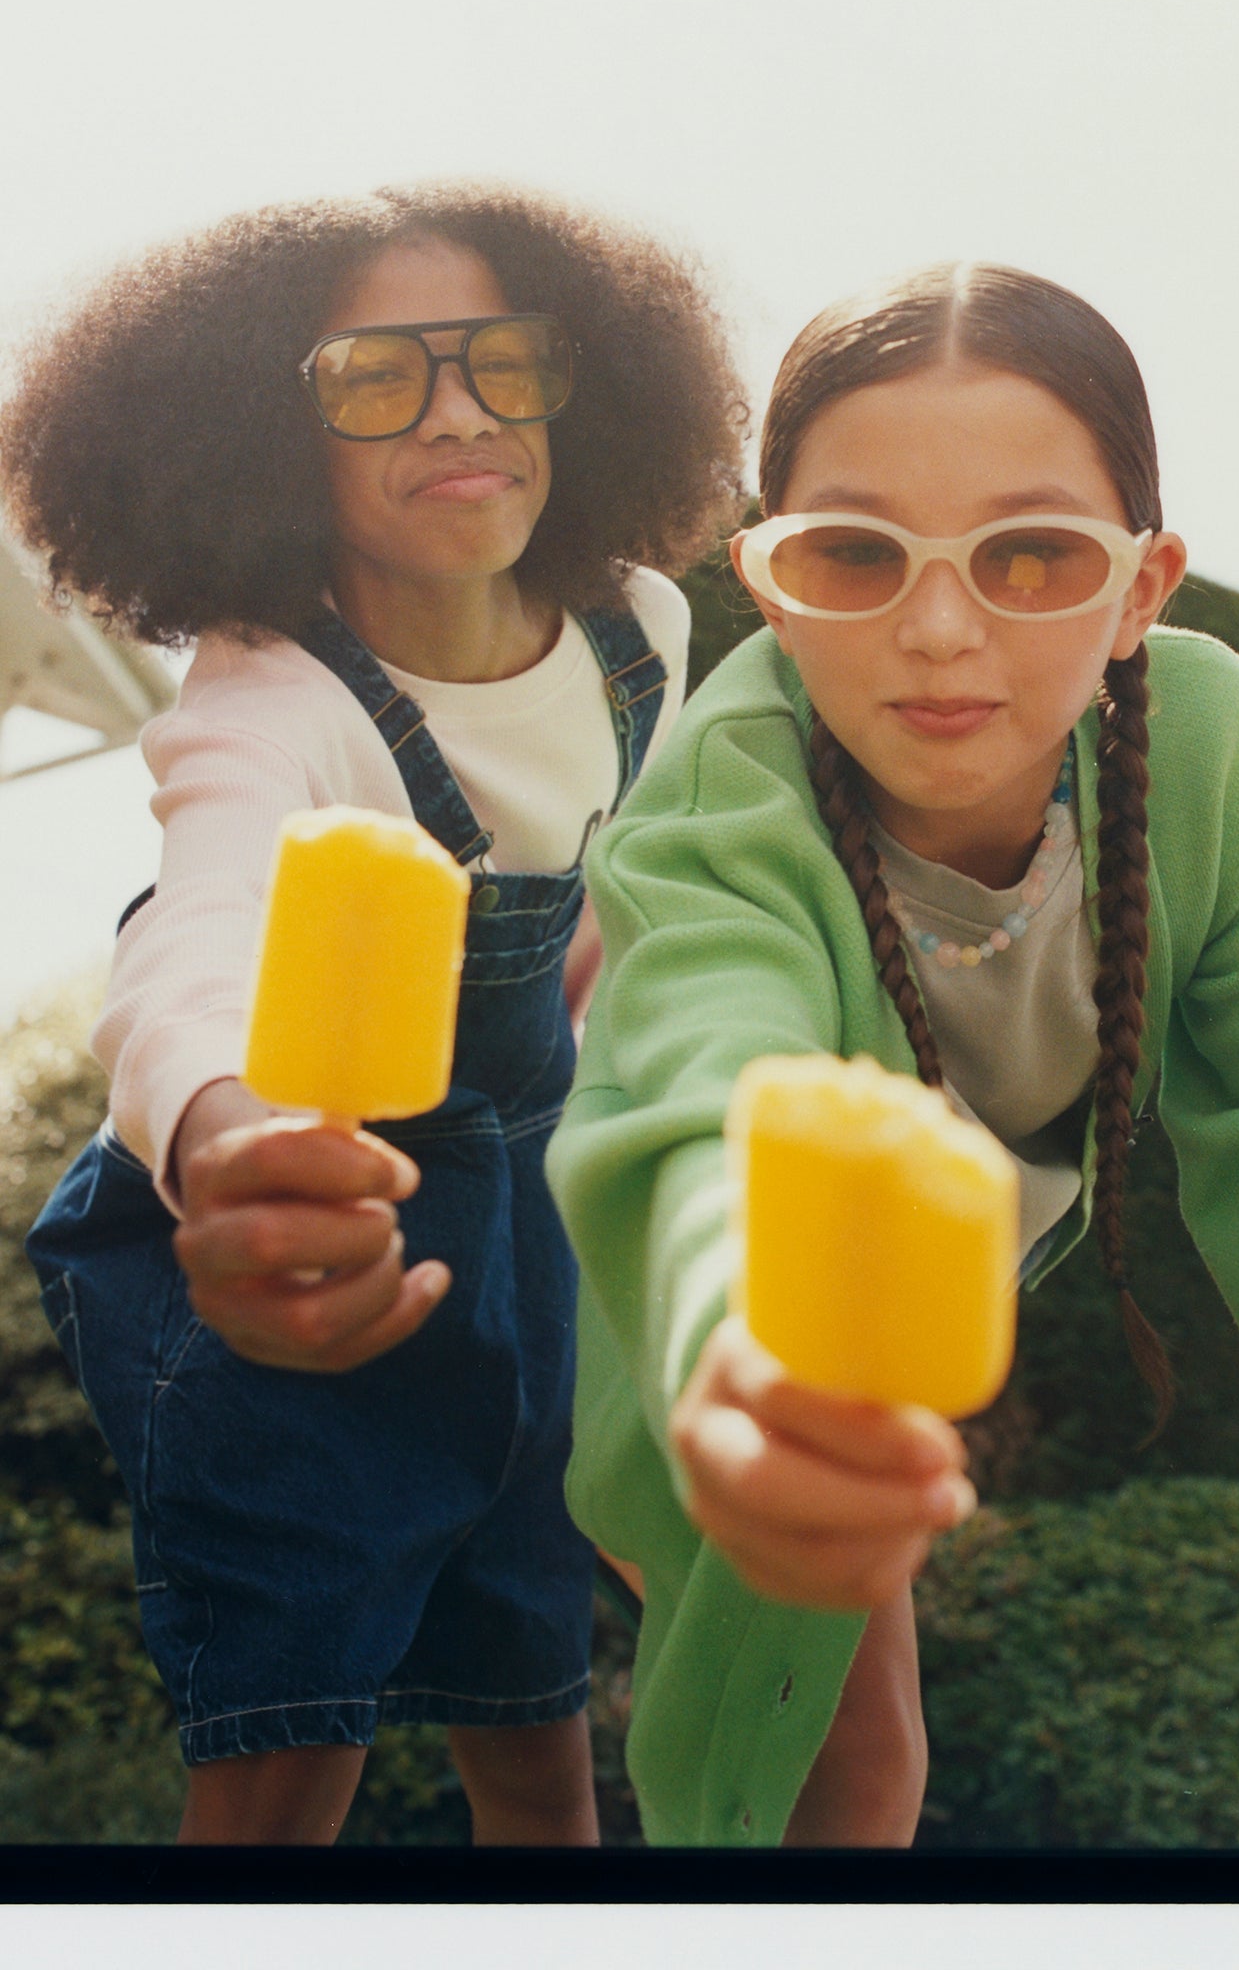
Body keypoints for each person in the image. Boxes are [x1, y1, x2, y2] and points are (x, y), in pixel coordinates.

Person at [545, 261, 1239, 1849]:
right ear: (769, 581)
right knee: (804, 1747)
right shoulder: (723, 795)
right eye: (854, 552)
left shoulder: (1205, 743)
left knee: (862, 1751)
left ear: (1143, 587)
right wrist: (741, 1346)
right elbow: (715, 1098)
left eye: (1033, 552)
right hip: (665, 1316)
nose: (937, 630)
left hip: (884, 1304)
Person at [6, 184, 747, 1843]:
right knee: (288, 1735)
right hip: (314, 1211)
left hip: (536, 1210)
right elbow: (193, 940)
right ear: (273, 438)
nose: (462, 411)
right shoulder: (278, 699)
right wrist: (228, 1130)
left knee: (532, 1694)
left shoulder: (647, 626)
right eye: (378, 379)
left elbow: (640, 904)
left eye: (505, 362)